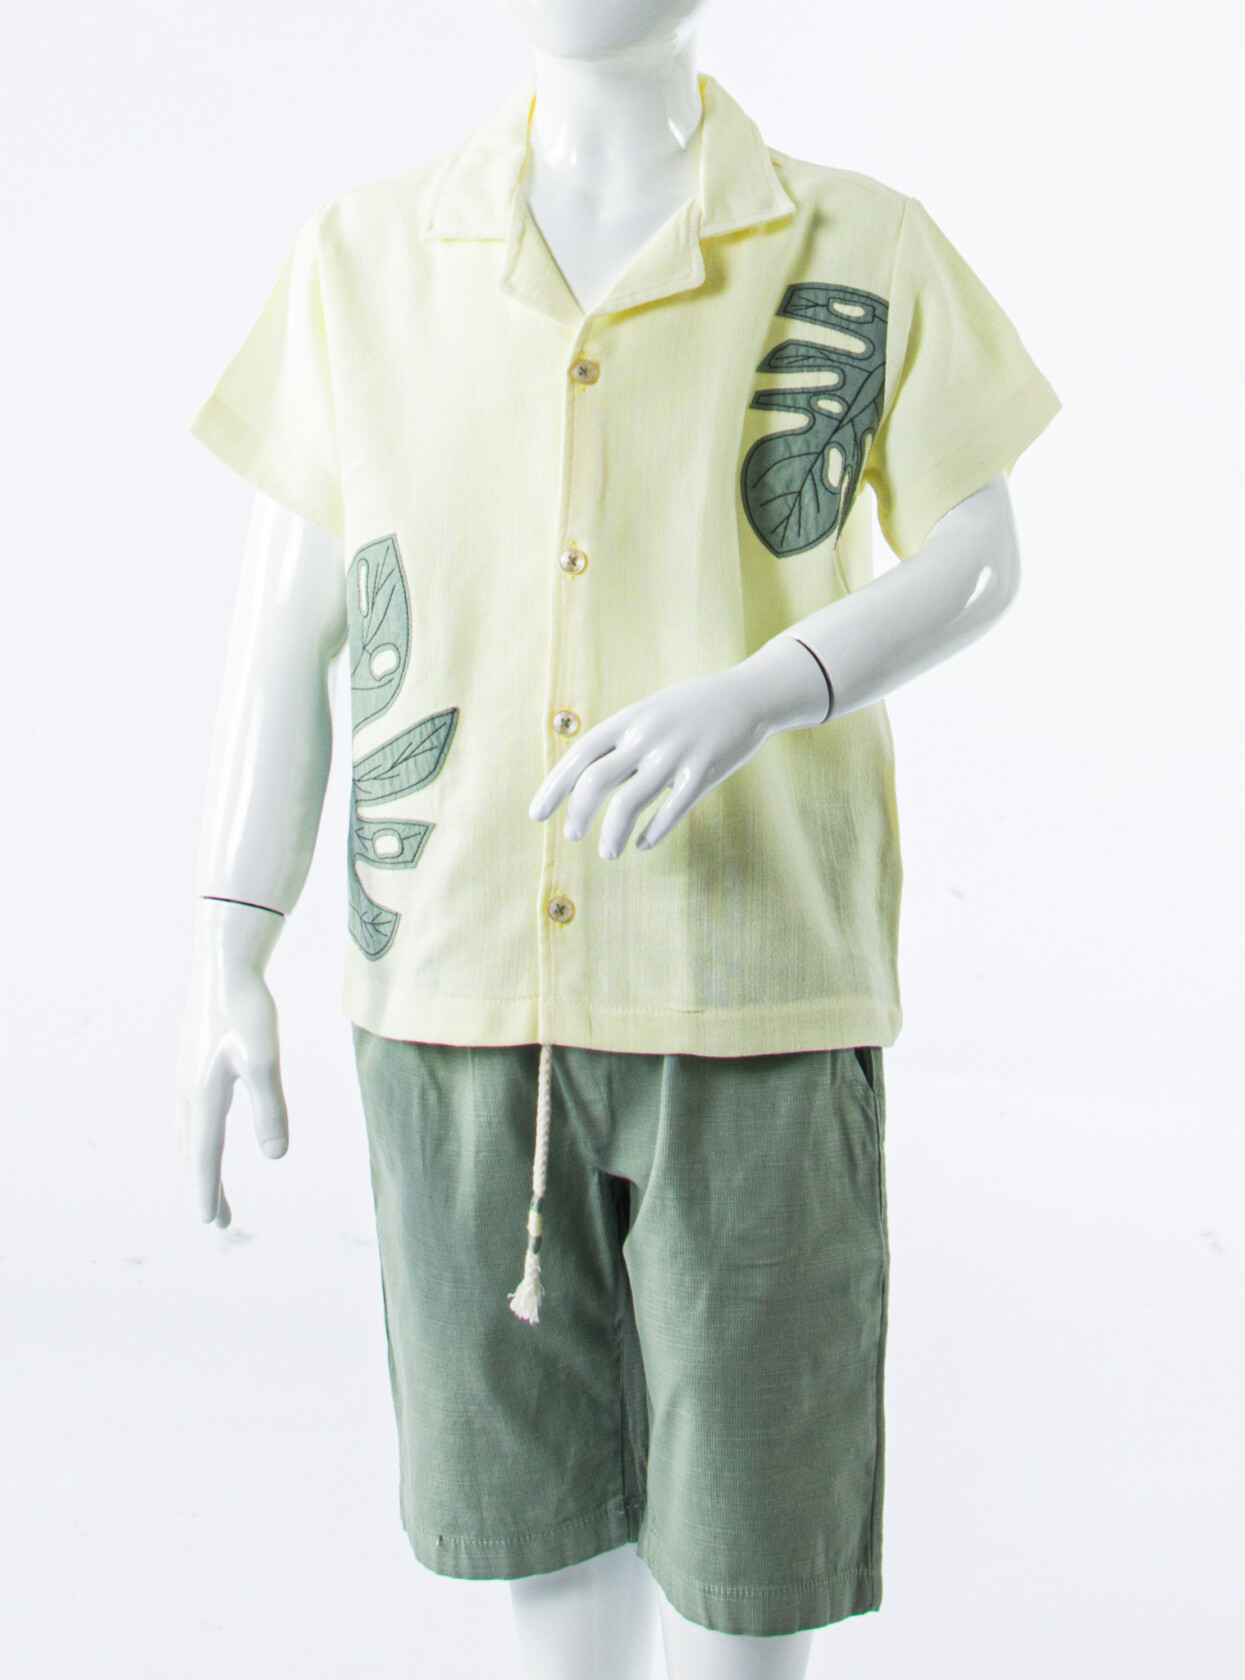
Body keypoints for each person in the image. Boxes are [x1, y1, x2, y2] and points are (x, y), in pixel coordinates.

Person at [176, 3, 1061, 1676]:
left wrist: (768, 691)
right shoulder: (361, 259)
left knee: (751, 1542)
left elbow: (979, 555)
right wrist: (231, 939)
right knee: (538, 1528)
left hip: (753, 989)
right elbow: (285, 629)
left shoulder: (860, 244)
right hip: (450, 991)